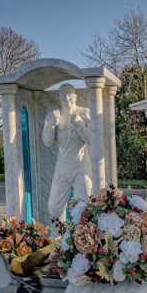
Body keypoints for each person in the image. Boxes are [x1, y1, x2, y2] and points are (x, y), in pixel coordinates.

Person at [42, 84, 93, 223]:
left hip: (81, 166)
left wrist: (80, 126)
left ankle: (89, 238)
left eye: (69, 93)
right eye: (63, 94)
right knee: (54, 207)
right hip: (62, 167)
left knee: (90, 203)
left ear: (75, 96)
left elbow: (93, 141)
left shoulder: (84, 113)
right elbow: (47, 141)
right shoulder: (54, 115)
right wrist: (52, 124)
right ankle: (58, 238)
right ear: (59, 98)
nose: (66, 97)